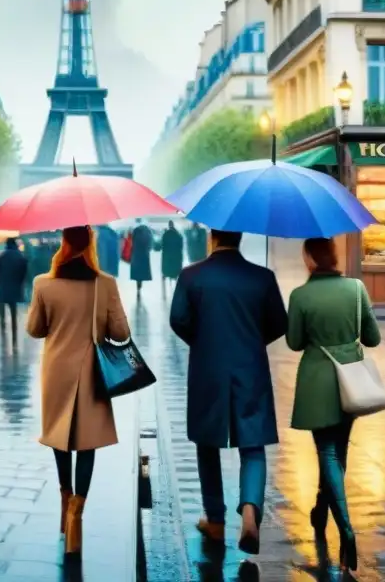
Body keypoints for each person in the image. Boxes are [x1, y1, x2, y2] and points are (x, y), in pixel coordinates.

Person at [169, 228, 288, 555]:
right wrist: (251, 341)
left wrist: (204, 341)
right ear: (239, 238)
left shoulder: (192, 276)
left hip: (208, 370)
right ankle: (250, 509)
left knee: (207, 443)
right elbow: (280, 322)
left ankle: (216, 520)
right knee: (253, 444)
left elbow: (178, 319)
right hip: (250, 368)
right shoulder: (262, 278)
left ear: (212, 237)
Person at [26, 225, 131, 556]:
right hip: (91, 373)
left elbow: (34, 329)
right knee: (87, 444)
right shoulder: (105, 284)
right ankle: (76, 512)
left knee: (59, 438)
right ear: (91, 245)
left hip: (56, 371)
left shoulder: (44, 284)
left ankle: (63, 500)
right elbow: (121, 333)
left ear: (64, 243)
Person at [286, 237, 381, 574]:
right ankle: (320, 508)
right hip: (351, 378)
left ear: (311, 259)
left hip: (317, 381)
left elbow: (294, 342)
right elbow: (373, 338)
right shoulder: (355, 289)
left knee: (326, 452)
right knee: (339, 451)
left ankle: (346, 530)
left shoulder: (300, 295)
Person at [0, 237, 28, 334]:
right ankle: (14, 326)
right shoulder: (20, 256)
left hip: (3, 287)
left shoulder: (1, 256)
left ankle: (3, 324)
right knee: (13, 307)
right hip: (15, 286)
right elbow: (24, 272)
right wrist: (20, 282)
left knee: (1, 305)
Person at [129, 219, 153, 297]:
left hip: (136, 254)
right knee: (142, 272)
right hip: (144, 255)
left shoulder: (135, 231)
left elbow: (132, 242)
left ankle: (138, 287)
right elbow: (150, 244)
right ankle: (139, 286)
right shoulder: (148, 231)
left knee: (137, 274)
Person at [160, 220, 184, 295]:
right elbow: (181, 246)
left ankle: (164, 292)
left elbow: (162, 246)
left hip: (167, 258)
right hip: (176, 258)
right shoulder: (178, 234)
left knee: (166, 273)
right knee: (177, 274)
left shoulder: (165, 234)